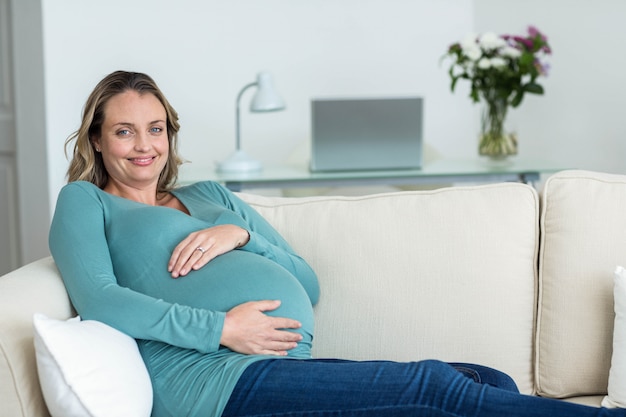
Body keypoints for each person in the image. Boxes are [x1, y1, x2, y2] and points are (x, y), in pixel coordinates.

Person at [49, 70, 620, 417]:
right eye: (124, 130)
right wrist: (223, 329)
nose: (144, 145)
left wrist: (239, 233)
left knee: (481, 380)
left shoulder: (213, 196)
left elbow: (308, 280)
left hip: (275, 370)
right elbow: (101, 299)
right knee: (433, 386)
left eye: (156, 128)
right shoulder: (86, 201)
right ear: (97, 140)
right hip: (213, 382)